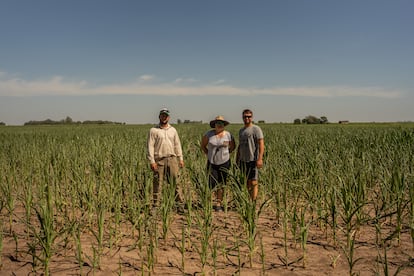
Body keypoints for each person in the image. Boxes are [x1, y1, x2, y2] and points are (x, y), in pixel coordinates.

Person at [147, 108, 184, 206]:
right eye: (162, 115)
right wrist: (152, 161)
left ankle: (179, 204)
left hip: (172, 159)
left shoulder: (173, 130)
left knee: (176, 182)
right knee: (157, 183)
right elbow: (150, 146)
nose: (164, 117)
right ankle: (156, 205)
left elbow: (177, 145)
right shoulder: (154, 130)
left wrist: (180, 159)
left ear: (169, 118)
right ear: (159, 117)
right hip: (159, 160)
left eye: (166, 116)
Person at [201, 115, 236, 212]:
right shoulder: (209, 134)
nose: (219, 125)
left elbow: (233, 146)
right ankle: (208, 202)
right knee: (211, 183)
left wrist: (226, 153)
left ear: (224, 125)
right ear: (214, 125)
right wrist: (208, 153)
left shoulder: (228, 135)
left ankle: (218, 204)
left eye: (221, 123)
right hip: (212, 163)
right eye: (217, 123)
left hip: (224, 162)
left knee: (222, 183)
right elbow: (203, 145)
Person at [236, 109, 264, 201]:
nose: (247, 118)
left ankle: (254, 201)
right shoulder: (241, 131)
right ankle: (249, 199)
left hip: (253, 159)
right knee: (246, 182)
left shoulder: (256, 129)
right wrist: (237, 159)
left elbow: (261, 144)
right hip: (243, 160)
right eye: (245, 116)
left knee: (254, 181)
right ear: (242, 118)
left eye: (249, 116)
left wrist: (260, 159)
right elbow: (240, 146)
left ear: (252, 118)